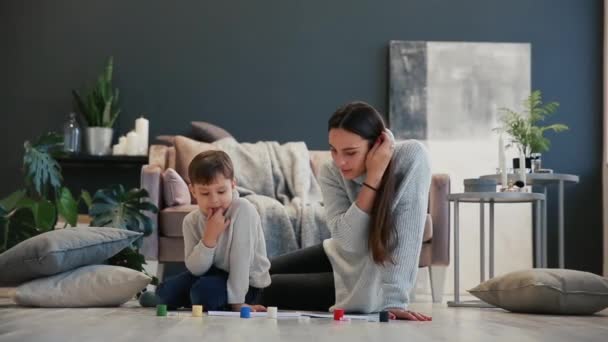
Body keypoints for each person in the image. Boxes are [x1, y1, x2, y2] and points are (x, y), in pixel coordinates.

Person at [262, 101, 432, 321]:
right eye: (334, 150)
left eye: (350, 152)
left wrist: (393, 301)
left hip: (369, 284)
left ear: (376, 145)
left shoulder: (411, 156)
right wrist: (373, 179)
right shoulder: (330, 171)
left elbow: (407, 234)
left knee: (262, 288)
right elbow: (346, 241)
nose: (340, 161)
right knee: (257, 273)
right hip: (339, 255)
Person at [156, 150, 271, 312]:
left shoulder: (244, 210)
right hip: (210, 275)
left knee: (203, 294)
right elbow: (195, 269)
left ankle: (198, 298)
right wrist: (209, 238)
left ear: (232, 185)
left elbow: (241, 261)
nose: (214, 200)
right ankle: (192, 297)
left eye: (221, 191)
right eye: (205, 193)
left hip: (247, 283)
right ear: (193, 191)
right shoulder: (190, 221)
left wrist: (238, 303)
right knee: (163, 294)